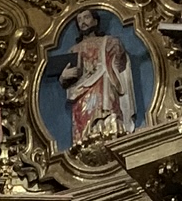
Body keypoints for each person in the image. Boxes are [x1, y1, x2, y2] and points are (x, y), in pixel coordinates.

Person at [59, 9, 138, 147]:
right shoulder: (73, 50)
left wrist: (118, 53)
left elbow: (120, 67)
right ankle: (85, 141)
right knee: (85, 120)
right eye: (79, 20)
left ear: (95, 21)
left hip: (105, 84)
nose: (83, 22)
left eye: (86, 17)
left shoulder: (109, 42)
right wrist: (63, 77)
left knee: (106, 110)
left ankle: (110, 133)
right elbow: (66, 80)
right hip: (81, 93)